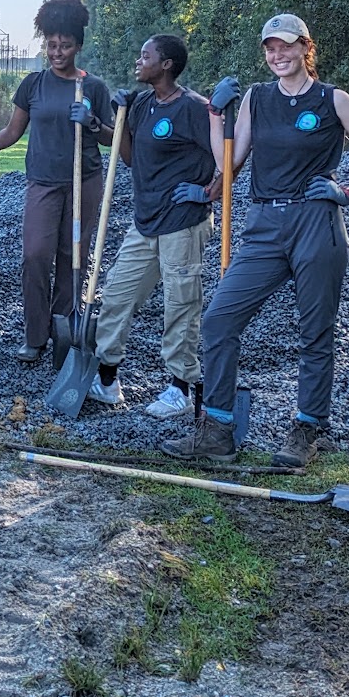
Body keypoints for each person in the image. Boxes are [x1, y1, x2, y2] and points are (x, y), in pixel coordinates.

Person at [161, 13, 349, 468]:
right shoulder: (257, 98)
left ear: (306, 48)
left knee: (315, 333)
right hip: (264, 226)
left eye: (286, 46)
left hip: (317, 225)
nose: (277, 55)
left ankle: (307, 429)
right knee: (218, 321)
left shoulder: (334, 100)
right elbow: (227, 167)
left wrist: (347, 192)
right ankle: (217, 431)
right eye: (270, 48)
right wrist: (215, 113)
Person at [0, 0, 114, 362]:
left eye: (65, 45)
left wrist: (93, 124)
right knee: (36, 256)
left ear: (78, 46)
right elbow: (11, 132)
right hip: (42, 181)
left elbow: (111, 137)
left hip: (82, 182)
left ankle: (63, 331)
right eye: (52, 45)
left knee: (74, 257)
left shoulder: (93, 88)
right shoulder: (33, 84)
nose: (57, 52)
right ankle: (34, 334)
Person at [87, 35, 222, 417]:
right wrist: (111, 121)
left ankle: (181, 387)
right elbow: (128, 157)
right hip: (145, 222)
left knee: (181, 304)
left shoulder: (195, 109)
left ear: (166, 65)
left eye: (145, 55)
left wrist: (208, 192)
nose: (138, 60)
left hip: (182, 223)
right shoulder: (144, 103)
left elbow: (228, 155)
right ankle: (108, 380)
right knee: (116, 295)